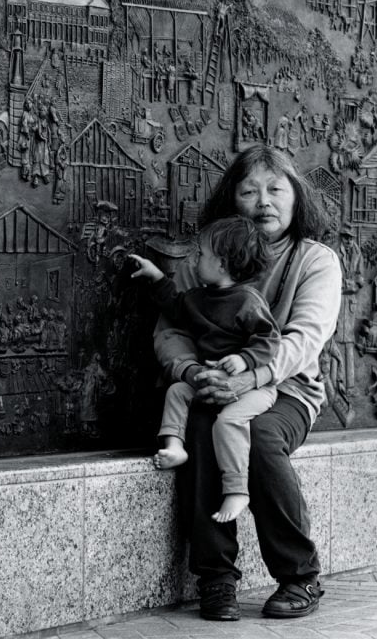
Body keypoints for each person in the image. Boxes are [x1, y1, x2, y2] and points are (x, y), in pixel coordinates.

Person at [154, 145, 341, 621]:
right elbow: (172, 332)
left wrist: (253, 376)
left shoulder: (315, 260)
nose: (264, 201)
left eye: (276, 189)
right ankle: (216, 580)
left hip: (289, 390)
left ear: (296, 197)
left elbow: (305, 339)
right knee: (198, 432)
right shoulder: (203, 258)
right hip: (211, 383)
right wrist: (194, 373)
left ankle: (300, 576)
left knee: (257, 436)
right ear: (231, 199)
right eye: (249, 190)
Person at [129, 216, 280, 523]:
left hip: (253, 388)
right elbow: (175, 306)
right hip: (209, 380)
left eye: (201, 255)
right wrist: (156, 276)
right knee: (177, 391)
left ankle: (237, 490)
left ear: (222, 264)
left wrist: (244, 361)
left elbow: (270, 340)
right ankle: (174, 446)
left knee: (228, 423)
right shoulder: (199, 297)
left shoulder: (248, 301)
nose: (195, 260)